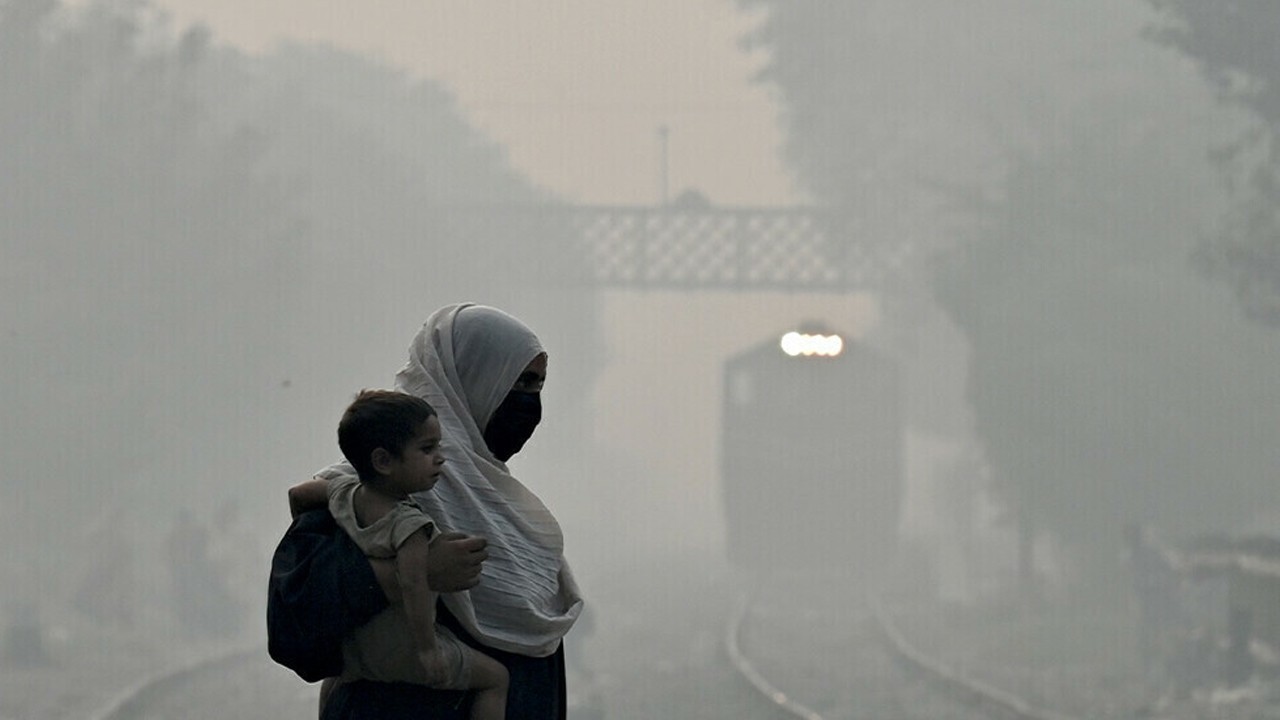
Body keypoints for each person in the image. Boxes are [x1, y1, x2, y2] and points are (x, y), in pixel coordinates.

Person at [272, 303, 583, 720]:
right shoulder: (366, 489)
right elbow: (296, 621)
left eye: (538, 385)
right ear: (471, 379)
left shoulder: (502, 506)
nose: (529, 403)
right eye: (519, 382)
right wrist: (413, 573)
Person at [318, 389, 509, 718]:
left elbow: (299, 494)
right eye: (426, 449)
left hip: (356, 653)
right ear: (383, 461)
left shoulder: (344, 493)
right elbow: (413, 583)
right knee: (496, 678)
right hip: (404, 653)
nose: (441, 458)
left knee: (334, 686)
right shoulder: (411, 524)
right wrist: (426, 649)